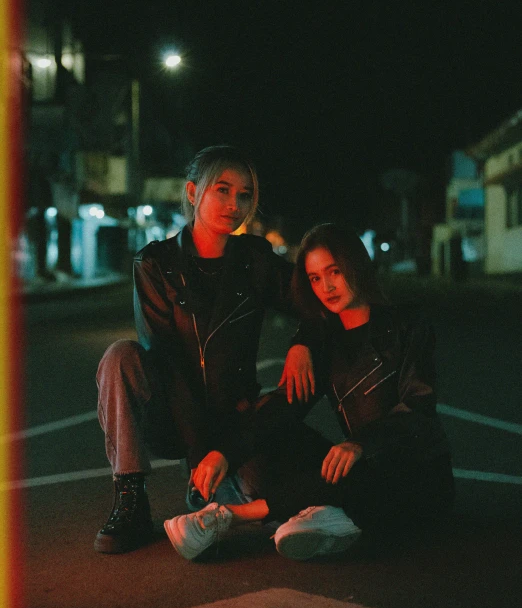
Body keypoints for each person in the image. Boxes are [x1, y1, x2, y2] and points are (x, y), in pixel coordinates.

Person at [164, 222, 454, 561]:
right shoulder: (325, 342)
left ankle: (226, 517)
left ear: (356, 265)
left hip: (414, 476)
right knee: (265, 426)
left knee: (359, 469)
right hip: (355, 468)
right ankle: (328, 516)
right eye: (315, 278)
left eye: (334, 271)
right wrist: (224, 453)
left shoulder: (409, 323)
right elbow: (283, 410)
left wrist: (362, 443)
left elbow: (418, 406)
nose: (327, 286)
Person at [95, 145, 314, 554]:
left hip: (236, 417)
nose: (235, 204)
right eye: (223, 190)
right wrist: (200, 453)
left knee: (264, 497)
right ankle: (130, 500)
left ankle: (221, 491)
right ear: (194, 193)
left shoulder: (256, 259)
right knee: (120, 357)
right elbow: (165, 359)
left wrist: (302, 341)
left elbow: (317, 300)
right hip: (173, 418)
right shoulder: (154, 263)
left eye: (245, 194)